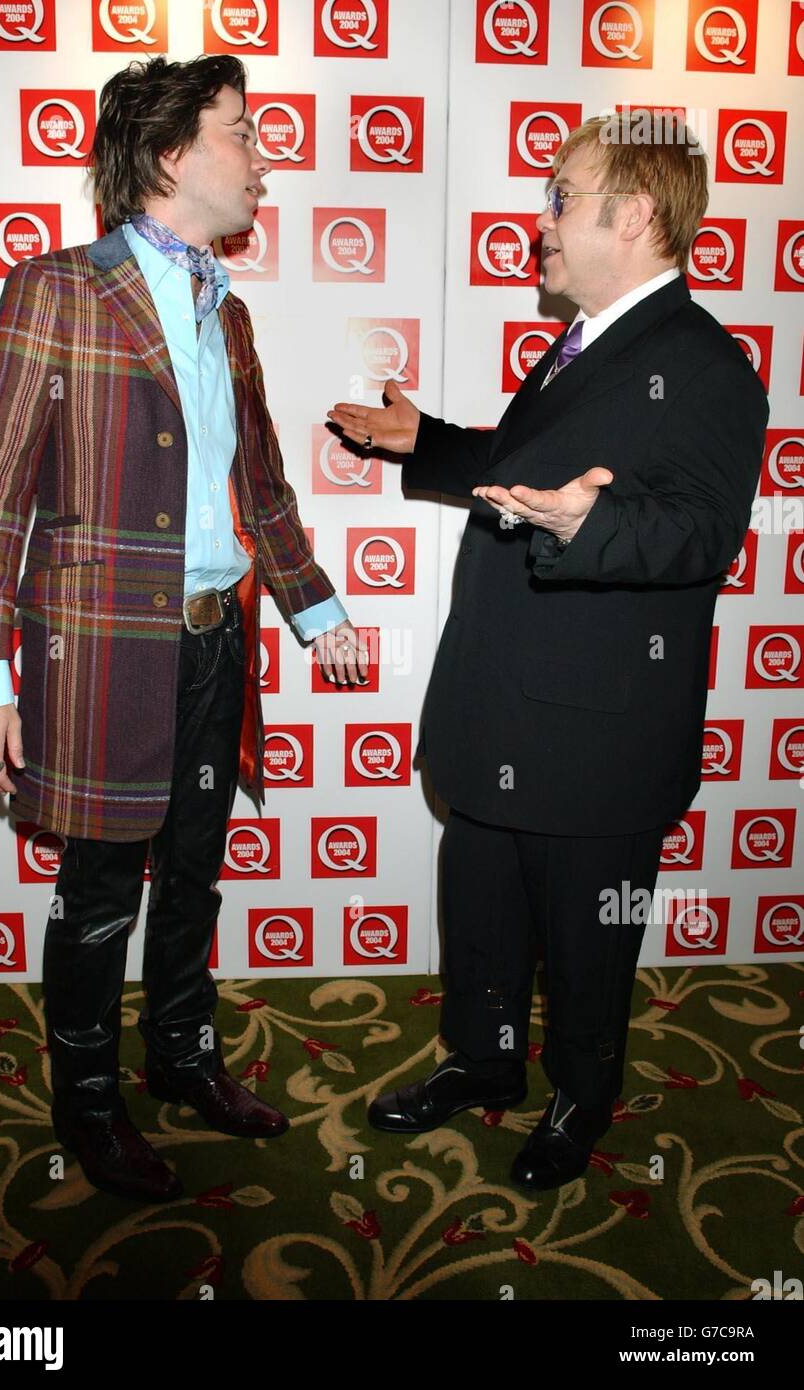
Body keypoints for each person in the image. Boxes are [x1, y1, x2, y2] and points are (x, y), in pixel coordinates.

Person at [0, 54, 368, 1203]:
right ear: (175, 153)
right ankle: (85, 1107)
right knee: (96, 894)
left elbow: (258, 486)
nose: (264, 159)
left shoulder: (228, 313)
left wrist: (314, 604)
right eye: (244, 133)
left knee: (192, 874)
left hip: (213, 642)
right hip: (96, 656)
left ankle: (183, 1059)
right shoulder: (58, 290)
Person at [328, 115, 768, 1191]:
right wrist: (424, 443)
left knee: (585, 938)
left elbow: (701, 528)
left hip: (596, 732)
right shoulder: (583, 345)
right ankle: (483, 1063)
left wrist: (590, 530)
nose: (539, 220)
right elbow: (527, 465)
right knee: (480, 908)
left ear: (635, 215)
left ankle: (580, 1097)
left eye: (560, 197)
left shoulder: (704, 363)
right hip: (498, 709)